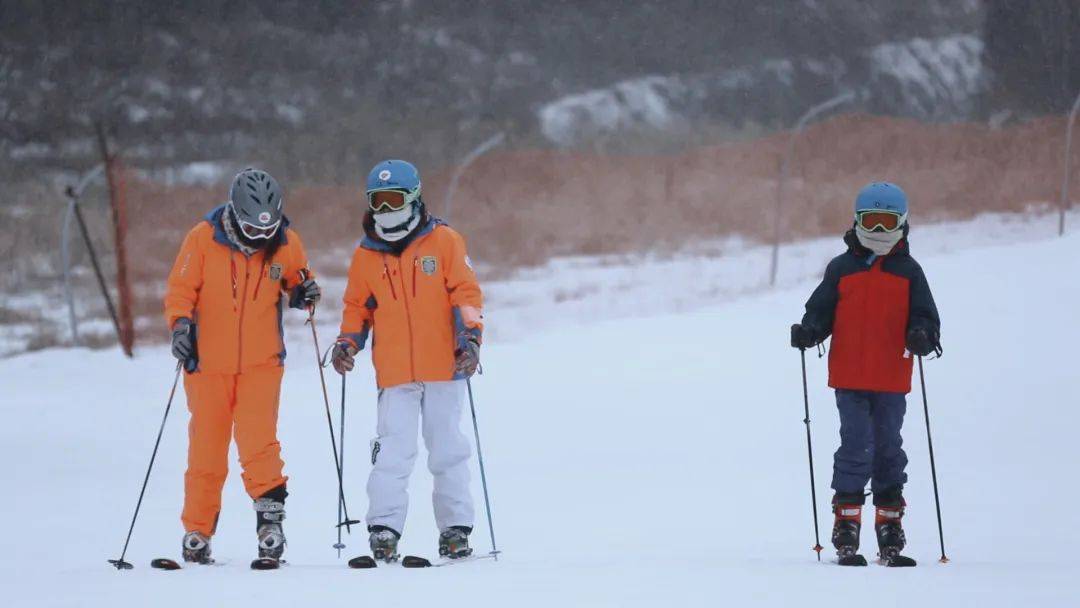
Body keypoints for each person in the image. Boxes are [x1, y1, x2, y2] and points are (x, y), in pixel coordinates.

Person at [164, 168, 320, 566]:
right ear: (236, 213)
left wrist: (304, 292)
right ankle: (197, 530)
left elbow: (297, 281)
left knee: (259, 443)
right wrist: (180, 326)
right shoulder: (202, 239)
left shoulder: (286, 243)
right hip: (206, 364)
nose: (260, 237)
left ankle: (270, 523)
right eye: (252, 227)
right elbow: (180, 291)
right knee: (206, 448)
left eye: (267, 228)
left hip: (261, 363)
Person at [331, 159, 483, 562]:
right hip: (395, 372)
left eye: (392, 200)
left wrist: (471, 339)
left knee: (447, 450)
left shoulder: (445, 241)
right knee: (391, 453)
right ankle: (384, 529)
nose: (384, 210)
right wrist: (347, 342)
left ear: (413, 197)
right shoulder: (366, 254)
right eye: (376, 202)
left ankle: (455, 531)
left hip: (444, 367)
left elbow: (466, 295)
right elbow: (356, 308)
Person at [790, 182, 941, 565]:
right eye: (869, 222)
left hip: (892, 377)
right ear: (857, 221)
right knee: (856, 447)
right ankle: (847, 523)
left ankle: (889, 524)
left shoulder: (910, 272)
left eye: (884, 222)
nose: (876, 231)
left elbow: (925, 315)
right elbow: (821, 311)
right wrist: (809, 330)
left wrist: (923, 335)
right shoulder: (841, 269)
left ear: (902, 222)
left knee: (889, 448)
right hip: (851, 376)